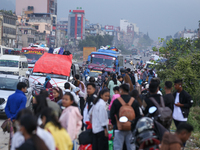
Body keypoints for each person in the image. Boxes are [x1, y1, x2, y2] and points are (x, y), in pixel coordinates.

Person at [110, 84, 141, 150]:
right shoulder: (134, 101)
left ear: (121, 90)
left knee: (118, 147)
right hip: (131, 128)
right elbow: (138, 115)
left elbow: (111, 114)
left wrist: (115, 123)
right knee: (131, 147)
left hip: (119, 128)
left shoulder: (116, 101)